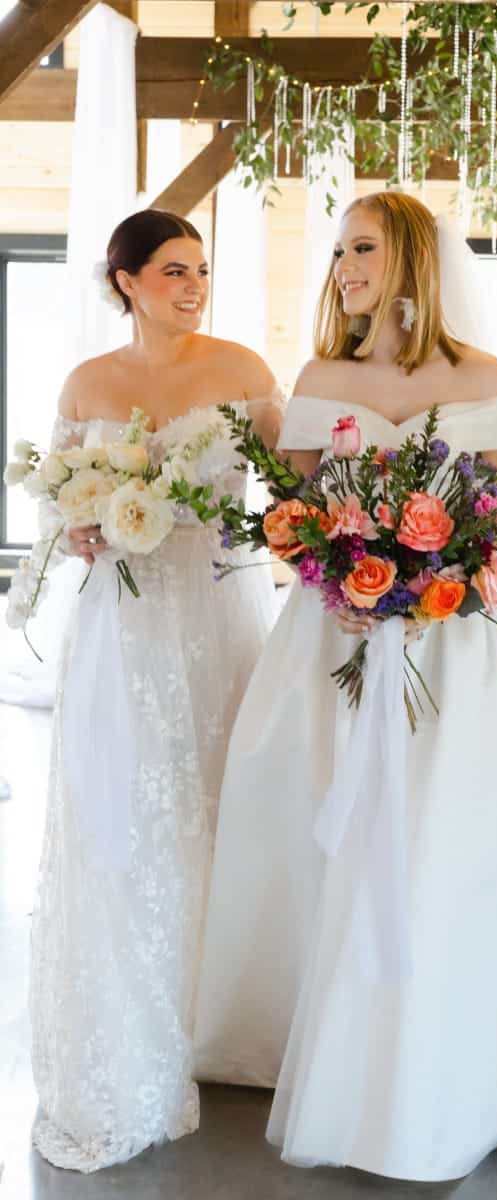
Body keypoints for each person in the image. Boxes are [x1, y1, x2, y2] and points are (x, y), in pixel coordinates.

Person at [195, 191, 497, 1180]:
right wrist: (334, 580)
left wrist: (436, 581)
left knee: (433, 839)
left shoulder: (481, 372)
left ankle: (424, 1068)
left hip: (446, 644)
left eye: (360, 248)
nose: (341, 266)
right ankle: (320, 1047)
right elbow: (293, 515)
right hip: (329, 639)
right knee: (316, 828)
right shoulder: (320, 372)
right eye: (337, 250)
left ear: (413, 260)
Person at [29, 209, 283, 1172]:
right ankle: (135, 1018)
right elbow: (57, 492)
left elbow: (294, 488)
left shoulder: (247, 372)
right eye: (174, 270)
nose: (193, 285)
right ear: (126, 279)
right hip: (120, 624)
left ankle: (223, 1018)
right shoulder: (86, 382)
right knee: (122, 811)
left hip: (220, 610)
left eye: (202, 269)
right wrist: (79, 525)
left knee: (221, 803)